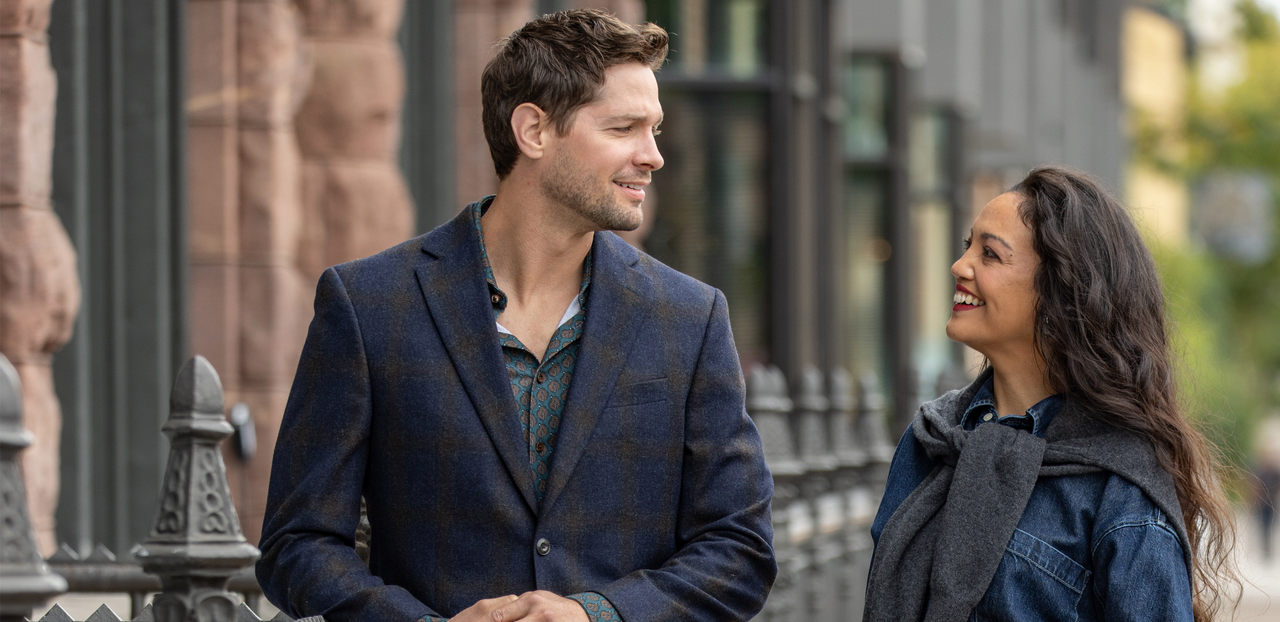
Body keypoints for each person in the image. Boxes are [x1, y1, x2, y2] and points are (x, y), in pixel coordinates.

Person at [255, 10, 776, 622]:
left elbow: (740, 550)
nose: (653, 155)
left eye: (654, 128)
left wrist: (595, 614)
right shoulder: (369, 304)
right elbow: (298, 544)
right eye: (624, 128)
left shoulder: (689, 317)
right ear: (533, 130)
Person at [863, 166, 1237, 621]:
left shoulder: (1117, 484)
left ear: (1060, 292)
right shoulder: (933, 439)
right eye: (968, 247)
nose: (961, 266)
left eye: (991, 255)